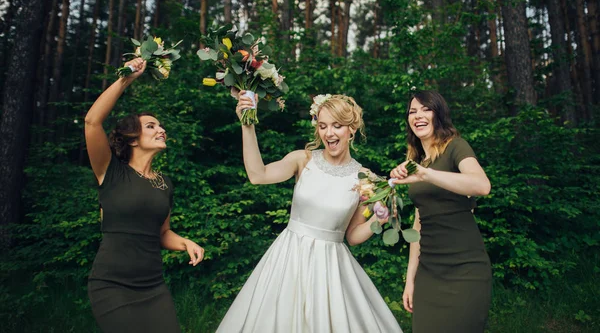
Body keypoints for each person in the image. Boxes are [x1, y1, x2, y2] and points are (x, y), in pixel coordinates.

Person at [216, 92, 403, 333]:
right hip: (288, 261)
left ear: (352, 130)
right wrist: (247, 124)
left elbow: (353, 236)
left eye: (337, 126)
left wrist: (378, 219)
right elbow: (257, 175)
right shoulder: (302, 160)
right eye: (323, 126)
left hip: (330, 269)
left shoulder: (366, 179)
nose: (329, 133)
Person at [85, 57, 205, 333]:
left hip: (153, 287)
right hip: (111, 285)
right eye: (151, 126)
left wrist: (185, 242)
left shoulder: (165, 183)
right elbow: (92, 122)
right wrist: (126, 78)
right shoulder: (111, 171)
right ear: (132, 138)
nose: (161, 129)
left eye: (160, 125)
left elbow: (162, 233)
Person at [390, 90, 492, 333]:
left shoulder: (456, 147)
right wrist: (410, 279)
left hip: (466, 268)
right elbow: (418, 224)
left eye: (426, 109)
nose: (418, 115)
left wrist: (425, 174)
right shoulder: (417, 161)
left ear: (439, 114)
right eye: (412, 112)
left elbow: (481, 185)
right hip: (429, 271)